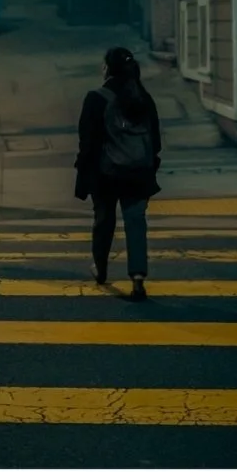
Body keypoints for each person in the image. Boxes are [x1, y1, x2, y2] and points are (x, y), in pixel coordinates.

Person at [74, 46, 163, 299]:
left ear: (108, 69)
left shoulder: (96, 98)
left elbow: (87, 142)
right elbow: (155, 142)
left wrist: (84, 173)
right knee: (135, 222)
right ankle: (137, 278)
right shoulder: (143, 98)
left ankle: (100, 269)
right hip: (138, 173)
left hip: (106, 174)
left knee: (104, 220)